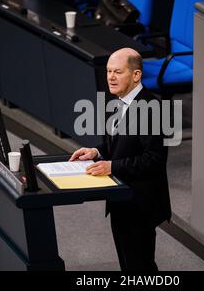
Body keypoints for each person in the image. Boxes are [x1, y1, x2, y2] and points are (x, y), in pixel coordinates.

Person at [69, 48, 172, 271]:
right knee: (128, 263)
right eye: (108, 71)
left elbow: (154, 160)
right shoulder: (116, 101)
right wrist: (96, 152)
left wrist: (111, 166)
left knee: (140, 266)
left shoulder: (153, 109)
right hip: (120, 198)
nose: (111, 77)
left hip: (140, 202)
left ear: (136, 75)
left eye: (118, 71)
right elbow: (116, 146)